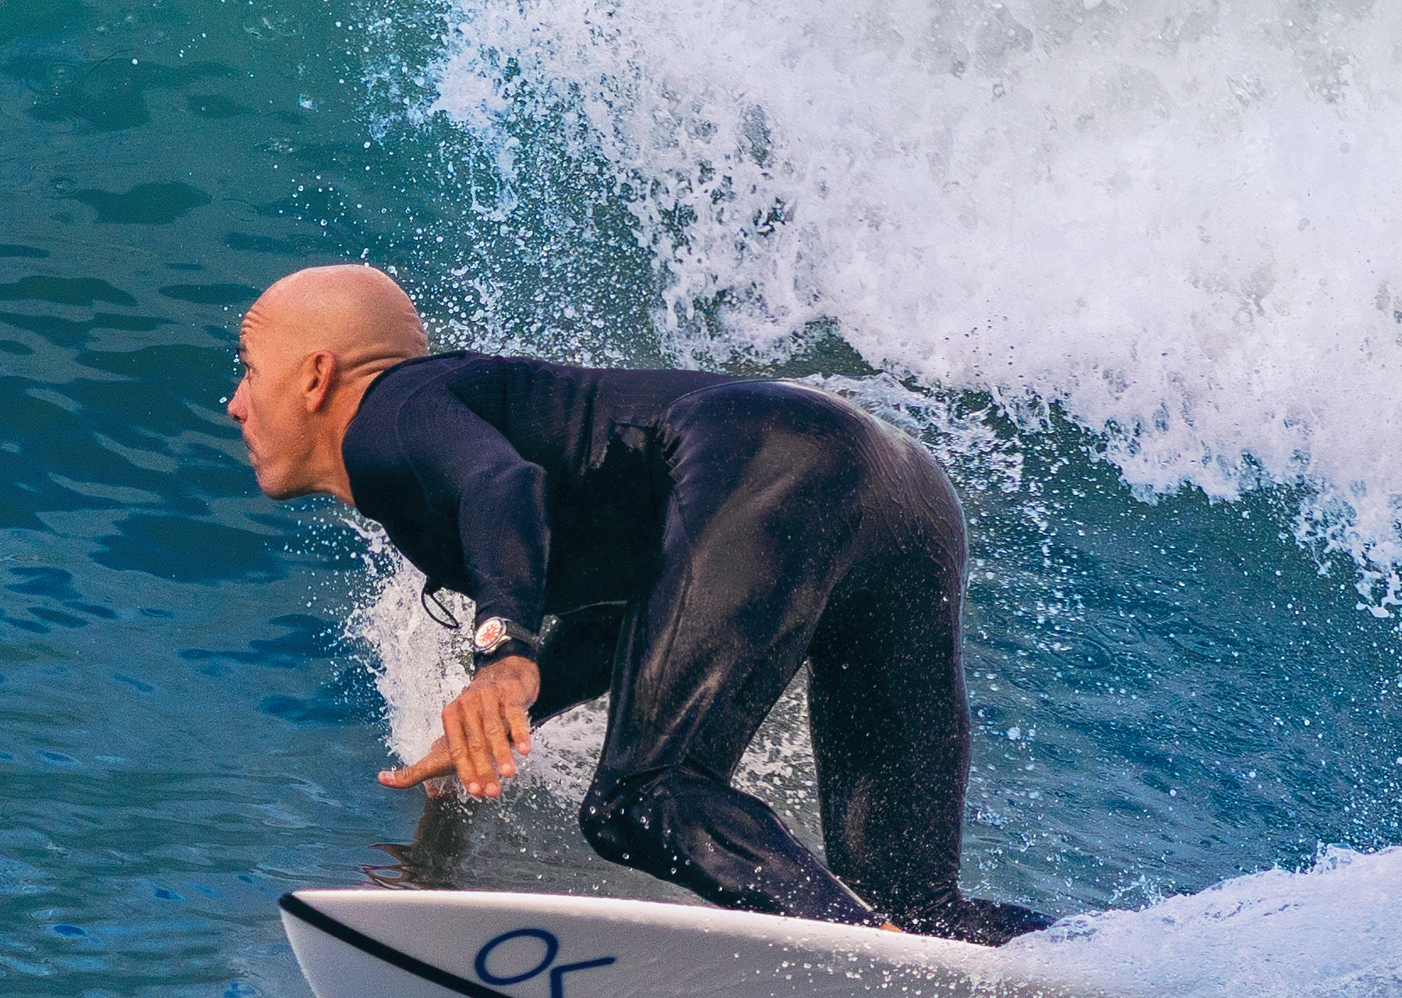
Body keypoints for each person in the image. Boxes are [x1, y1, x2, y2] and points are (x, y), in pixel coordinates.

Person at [223, 263, 1042, 944]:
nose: (235, 402)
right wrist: (516, 710)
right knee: (920, 913)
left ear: (317, 376)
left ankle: (874, 962)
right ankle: (1102, 974)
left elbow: (503, 485)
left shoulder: (386, 417)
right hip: (896, 489)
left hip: (776, 462)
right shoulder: (449, 413)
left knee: (639, 797)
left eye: (249, 371)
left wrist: (504, 656)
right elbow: (650, 602)